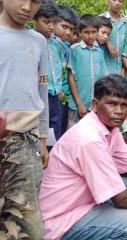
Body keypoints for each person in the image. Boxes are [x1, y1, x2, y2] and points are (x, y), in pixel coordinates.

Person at [39, 74, 127, 240]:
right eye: (112, 104)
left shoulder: (109, 127)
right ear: (95, 105)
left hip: (79, 196)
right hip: (59, 217)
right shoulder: (89, 139)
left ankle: (100, 214)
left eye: (124, 105)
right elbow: (121, 199)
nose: (119, 111)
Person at [0, 0, 49, 238]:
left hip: (26, 143)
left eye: (36, 1)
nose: (28, 7)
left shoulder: (38, 41)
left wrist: (42, 137)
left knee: (26, 217)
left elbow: (41, 90)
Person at [67, 15, 108, 127]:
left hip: (93, 106)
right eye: (86, 32)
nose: (90, 36)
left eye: (93, 32)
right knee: (73, 135)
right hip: (76, 105)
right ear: (80, 32)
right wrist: (79, 104)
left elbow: (102, 79)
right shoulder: (74, 50)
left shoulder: (99, 53)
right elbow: (71, 78)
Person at [33, 0, 63, 141]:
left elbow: (60, 67)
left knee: (54, 129)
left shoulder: (58, 43)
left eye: (54, 22)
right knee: (38, 129)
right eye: (46, 22)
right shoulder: (31, 42)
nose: (51, 26)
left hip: (55, 95)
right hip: (38, 95)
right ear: (34, 19)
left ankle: (50, 156)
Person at [54, 5, 79, 134]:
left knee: (60, 129)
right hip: (53, 95)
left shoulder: (67, 47)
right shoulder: (49, 44)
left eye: (71, 29)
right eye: (64, 27)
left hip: (64, 97)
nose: (68, 33)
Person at [101, 0, 127, 74]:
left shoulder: (125, 23)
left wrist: (123, 68)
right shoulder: (100, 18)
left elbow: (124, 49)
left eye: (120, 1)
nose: (117, 3)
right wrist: (107, 42)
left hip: (118, 70)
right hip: (103, 68)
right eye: (114, 0)